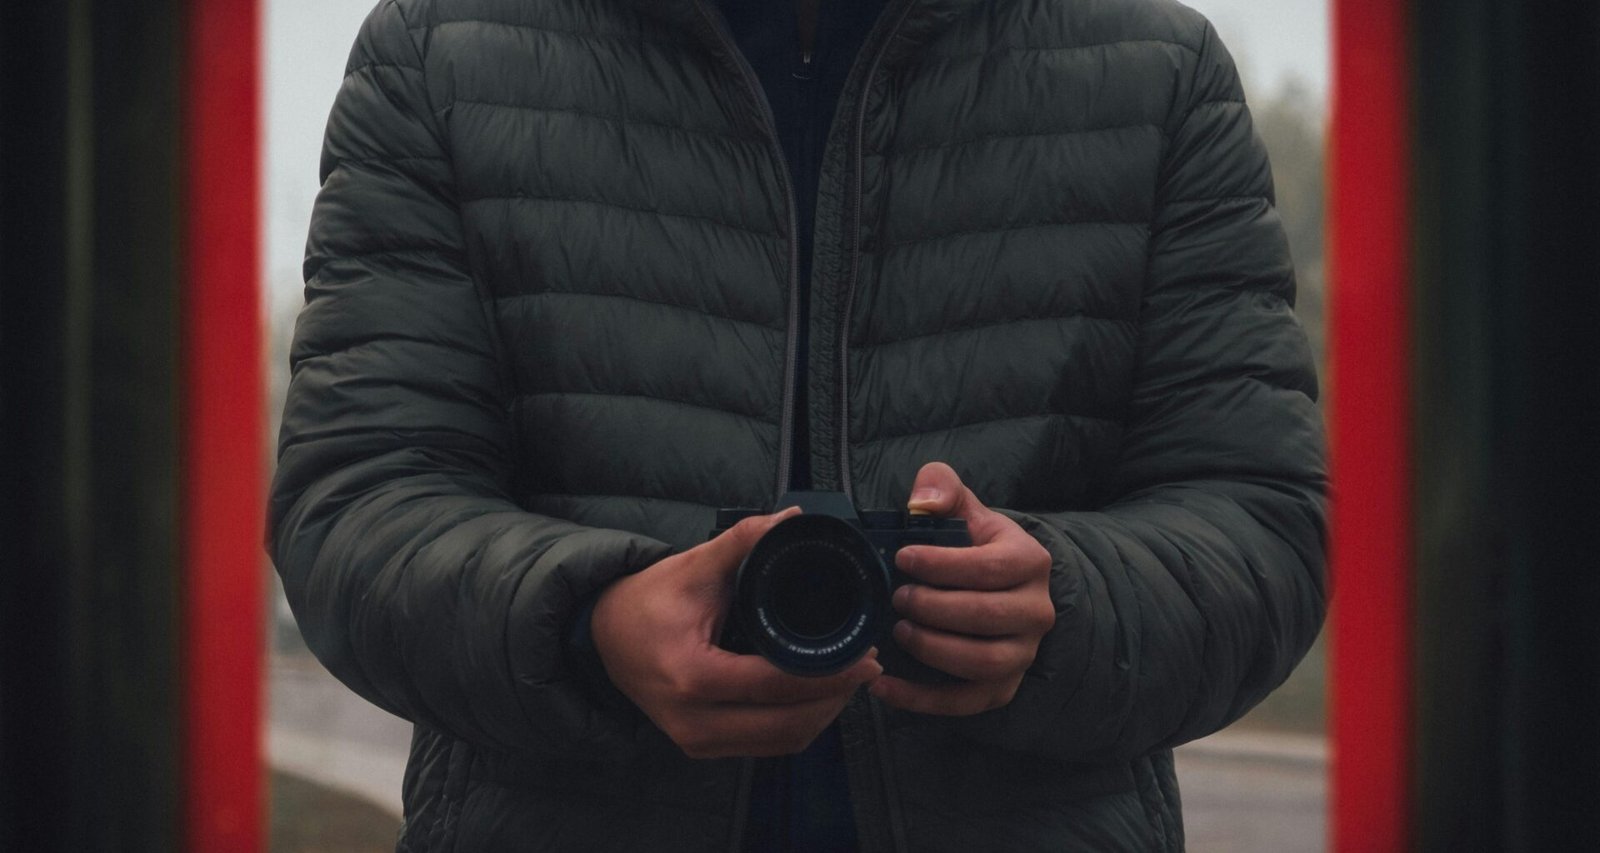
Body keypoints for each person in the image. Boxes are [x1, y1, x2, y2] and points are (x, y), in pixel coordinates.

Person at [268, 0, 1327, 849]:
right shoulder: (436, 56)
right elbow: (356, 506)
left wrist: (1062, 606)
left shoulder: (1159, 73)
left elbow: (1262, 523)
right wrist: (588, 628)